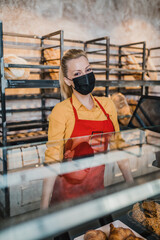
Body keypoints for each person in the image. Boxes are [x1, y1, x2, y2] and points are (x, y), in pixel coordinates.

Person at [41, 49, 133, 209]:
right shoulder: (61, 111)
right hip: (66, 200)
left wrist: (132, 186)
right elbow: (52, 161)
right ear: (68, 81)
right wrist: (42, 211)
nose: (85, 76)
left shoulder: (107, 105)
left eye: (88, 70)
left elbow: (118, 147)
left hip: (97, 195)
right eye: (77, 73)